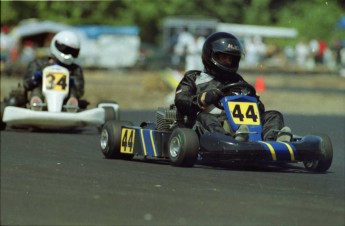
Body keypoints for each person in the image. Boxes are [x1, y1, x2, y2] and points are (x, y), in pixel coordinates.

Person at [174, 32, 291, 142]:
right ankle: (226, 140)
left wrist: (255, 102)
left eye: (231, 58)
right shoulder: (194, 78)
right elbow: (181, 100)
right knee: (205, 117)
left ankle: (271, 141)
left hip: (239, 125)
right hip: (203, 128)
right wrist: (202, 99)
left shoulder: (238, 81)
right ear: (211, 55)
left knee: (274, 115)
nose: (228, 62)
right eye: (223, 57)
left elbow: (257, 112)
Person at [23, 30, 84, 111]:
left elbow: (79, 90)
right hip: (42, 97)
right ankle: (36, 104)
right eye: (66, 50)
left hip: (64, 102)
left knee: (73, 93)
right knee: (36, 89)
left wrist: (71, 81)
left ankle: (71, 106)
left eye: (73, 52)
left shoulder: (75, 69)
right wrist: (35, 78)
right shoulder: (38, 64)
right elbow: (26, 84)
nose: (69, 54)